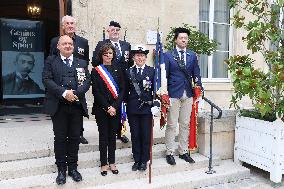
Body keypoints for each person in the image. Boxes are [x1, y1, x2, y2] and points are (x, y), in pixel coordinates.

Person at [42, 35, 90, 185]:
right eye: (65, 44)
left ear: (73, 47)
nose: (68, 46)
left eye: (70, 44)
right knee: (61, 139)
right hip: (59, 107)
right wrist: (64, 93)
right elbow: (46, 79)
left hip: (76, 106)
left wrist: (75, 93)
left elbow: (86, 81)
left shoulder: (81, 62)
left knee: (75, 138)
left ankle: (73, 168)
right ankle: (61, 170)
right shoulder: (51, 61)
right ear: (58, 46)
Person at [164, 27, 202, 165]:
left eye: (186, 38)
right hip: (173, 93)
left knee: (185, 124)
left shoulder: (192, 55)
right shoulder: (168, 55)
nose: (184, 40)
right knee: (172, 124)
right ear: (176, 39)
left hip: (188, 94)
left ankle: (183, 151)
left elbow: (196, 74)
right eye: (181, 38)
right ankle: (169, 152)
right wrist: (164, 94)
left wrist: (199, 87)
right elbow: (165, 76)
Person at [50, 15, 90, 144]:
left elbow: (86, 60)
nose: (70, 25)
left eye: (72, 23)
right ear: (63, 26)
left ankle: (80, 134)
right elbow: (52, 61)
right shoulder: (55, 41)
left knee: (78, 107)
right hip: (61, 81)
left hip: (78, 79)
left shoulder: (83, 42)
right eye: (67, 23)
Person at [92, 21, 131, 143]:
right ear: (108, 31)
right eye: (112, 30)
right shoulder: (102, 44)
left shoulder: (126, 45)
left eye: (117, 30)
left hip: (122, 81)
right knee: (109, 105)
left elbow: (129, 62)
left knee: (121, 106)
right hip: (107, 80)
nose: (115, 32)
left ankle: (120, 132)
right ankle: (110, 131)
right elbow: (95, 61)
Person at [91, 43, 125, 176]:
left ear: (113, 54)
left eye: (110, 53)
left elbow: (123, 89)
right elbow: (96, 92)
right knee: (103, 136)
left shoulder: (119, 69)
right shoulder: (96, 70)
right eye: (105, 54)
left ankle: (112, 162)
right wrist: (107, 107)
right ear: (101, 55)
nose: (108, 56)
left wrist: (115, 106)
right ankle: (103, 163)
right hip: (102, 109)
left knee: (112, 137)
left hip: (115, 109)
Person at [125, 45, 160, 171]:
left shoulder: (152, 71)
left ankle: (144, 160)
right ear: (134, 57)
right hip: (133, 108)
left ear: (146, 57)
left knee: (146, 135)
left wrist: (156, 104)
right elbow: (125, 90)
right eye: (138, 55)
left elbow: (156, 90)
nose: (140, 58)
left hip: (147, 108)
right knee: (135, 135)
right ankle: (137, 159)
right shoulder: (128, 71)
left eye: (142, 55)